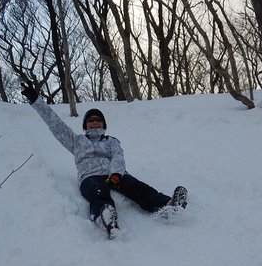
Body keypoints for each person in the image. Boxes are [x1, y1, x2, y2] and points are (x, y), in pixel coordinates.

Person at [21, 82, 187, 238]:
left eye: (98, 120)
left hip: (114, 174)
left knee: (137, 187)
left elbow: (118, 156)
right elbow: (55, 124)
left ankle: (167, 206)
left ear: (103, 124)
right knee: (97, 192)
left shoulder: (111, 141)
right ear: (85, 126)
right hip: (90, 176)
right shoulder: (76, 141)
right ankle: (104, 215)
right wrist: (36, 101)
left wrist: (116, 174)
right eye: (90, 121)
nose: (94, 123)